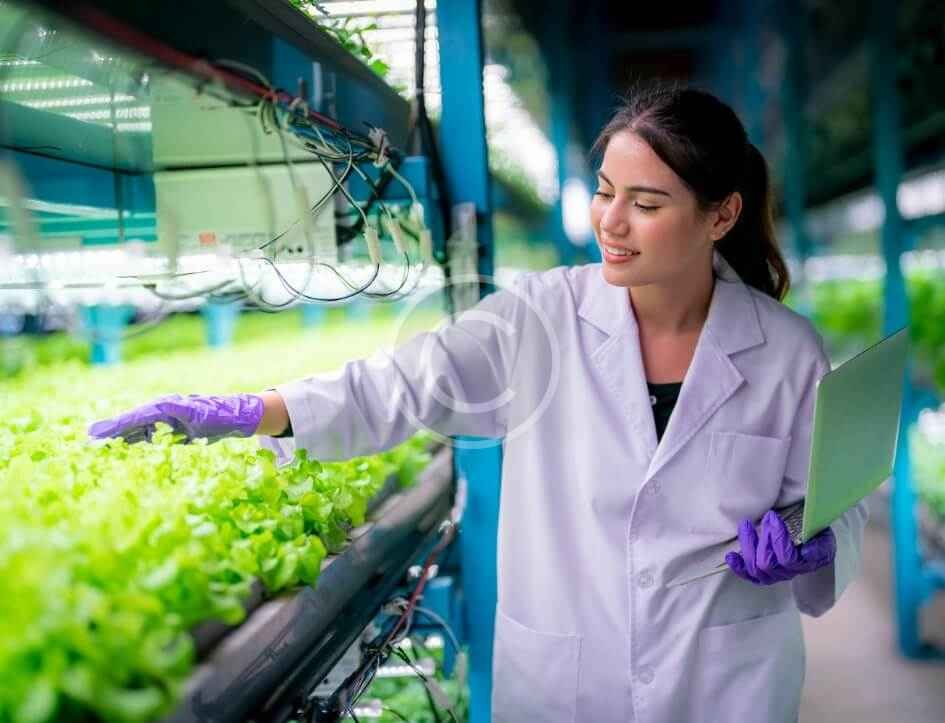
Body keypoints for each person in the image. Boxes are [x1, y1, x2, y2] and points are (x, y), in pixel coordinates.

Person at [90, 84, 866, 723]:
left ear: (720, 215)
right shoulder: (540, 317)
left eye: (646, 203)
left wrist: (812, 537)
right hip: (568, 681)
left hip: (723, 681)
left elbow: (832, 499)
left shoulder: (785, 350)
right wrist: (251, 411)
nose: (610, 221)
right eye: (604, 192)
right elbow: (403, 382)